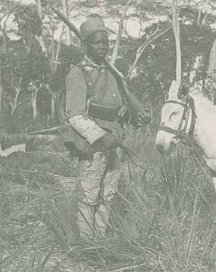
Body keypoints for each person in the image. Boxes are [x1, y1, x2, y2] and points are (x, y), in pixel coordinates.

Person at [60, 16, 150, 241]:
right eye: (96, 42)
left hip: (115, 143)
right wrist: (101, 136)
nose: (101, 46)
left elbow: (119, 109)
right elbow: (75, 116)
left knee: (108, 194)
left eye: (105, 42)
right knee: (89, 195)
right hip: (92, 145)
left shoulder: (113, 74)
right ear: (85, 45)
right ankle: (85, 244)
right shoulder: (77, 74)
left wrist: (132, 117)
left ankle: (99, 241)